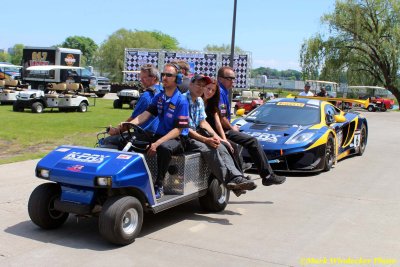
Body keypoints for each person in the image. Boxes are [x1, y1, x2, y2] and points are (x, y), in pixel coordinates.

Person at [108, 63, 190, 199]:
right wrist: (128, 125)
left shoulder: (182, 101)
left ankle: (159, 184)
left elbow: (179, 130)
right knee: (127, 141)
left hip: (177, 139)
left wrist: (157, 143)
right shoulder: (160, 97)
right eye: (163, 74)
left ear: (178, 79)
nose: (164, 77)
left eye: (169, 75)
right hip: (159, 136)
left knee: (163, 148)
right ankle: (127, 179)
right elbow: (144, 116)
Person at [217, 66, 286, 186]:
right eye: (229, 78)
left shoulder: (223, 91)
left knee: (240, 142)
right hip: (219, 130)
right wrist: (232, 127)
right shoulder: (220, 91)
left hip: (222, 128)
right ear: (220, 78)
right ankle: (267, 175)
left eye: (234, 78)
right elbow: (221, 118)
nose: (233, 81)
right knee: (252, 141)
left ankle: (240, 173)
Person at [186, 74, 256, 193]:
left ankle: (237, 179)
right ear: (190, 84)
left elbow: (203, 123)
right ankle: (231, 182)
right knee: (210, 149)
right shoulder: (182, 100)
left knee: (221, 145)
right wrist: (206, 140)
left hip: (197, 134)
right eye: (198, 84)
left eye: (203, 86)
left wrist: (220, 139)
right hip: (185, 137)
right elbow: (186, 129)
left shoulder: (199, 101)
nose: (201, 88)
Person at [105, 64, 161, 149]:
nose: (141, 80)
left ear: (153, 78)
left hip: (146, 137)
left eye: (144, 78)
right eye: (140, 77)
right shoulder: (163, 91)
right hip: (159, 135)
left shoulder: (147, 96)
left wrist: (116, 131)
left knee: (106, 141)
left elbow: (133, 120)